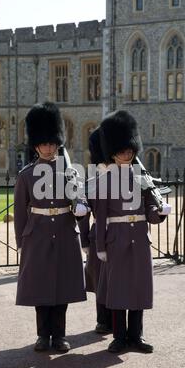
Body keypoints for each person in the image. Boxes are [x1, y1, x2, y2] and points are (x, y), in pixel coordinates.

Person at [13, 102, 87, 353]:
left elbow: (80, 201)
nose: (48, 147)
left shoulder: (70, 172)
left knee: (62, 286)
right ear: (36, 145)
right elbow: (20, 212)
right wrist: (22, 242)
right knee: (41, 286)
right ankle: (43, 335)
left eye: (52, 143)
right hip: (38, 235)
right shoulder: (26, 175)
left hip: (66, 232)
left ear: (58, 143)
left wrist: (81, 209)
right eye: (44, 143)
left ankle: (60, 335)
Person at [96, 110, 171, 354]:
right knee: (118, 290)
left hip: (139, 237)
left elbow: (149, 208)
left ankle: (136, 336)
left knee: (138, 288)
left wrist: (159, 213)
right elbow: (101, 217)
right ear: (113, 152)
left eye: (129, 149)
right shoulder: (105, 180)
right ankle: (119, 337)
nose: (126, 153)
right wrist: (99, 247)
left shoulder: (142, 178)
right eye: (121, 150)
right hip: (116, 239)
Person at [79, 128, 112, 334]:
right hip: (98, 234)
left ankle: (118, 321)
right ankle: (103, 319)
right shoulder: (91, 181)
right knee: (101, 280)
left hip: (121, 235)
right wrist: (84, 240)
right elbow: (83, 214)